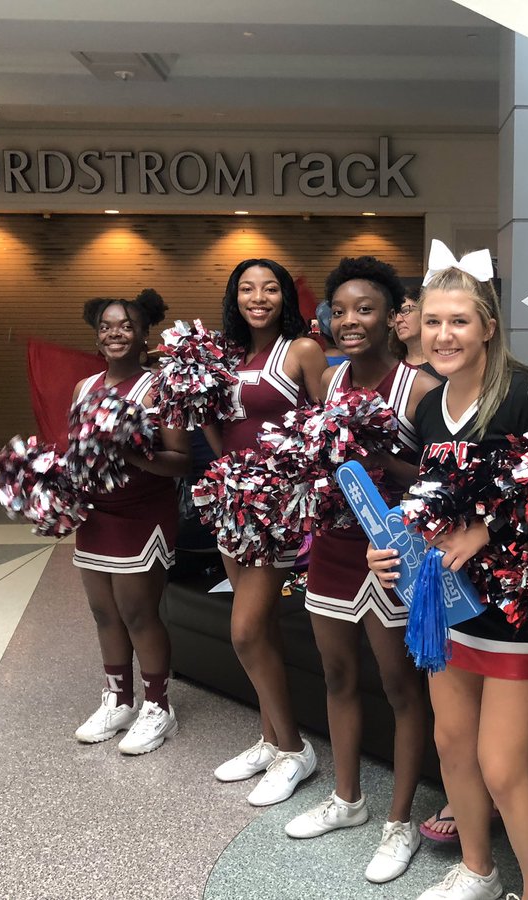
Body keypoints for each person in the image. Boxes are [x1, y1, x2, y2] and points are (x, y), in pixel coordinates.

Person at [369, 241, 528, 900]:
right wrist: (395, 546)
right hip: (450, 604)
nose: (444, 334)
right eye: (432, 321)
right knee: (452, 743)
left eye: (459, 320)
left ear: (489, 326)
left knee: (503, 766)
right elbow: (433, 508)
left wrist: (491, 528)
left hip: (516, 611)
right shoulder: (430, 408)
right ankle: (478, 871)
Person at [283, 255, 436, 884]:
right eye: (339, 310)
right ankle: (348, 800)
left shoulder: (419, 388)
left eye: (365, 309)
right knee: (338, 673)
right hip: (333, 548)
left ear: (395, 316)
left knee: (400, 686)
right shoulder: (332, 381)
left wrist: (378, 460)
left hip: (390, 552)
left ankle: (399, 824)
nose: (349, 321)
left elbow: (438, 481)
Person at [205, 258, 328, 807]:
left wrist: (289, 487)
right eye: (248, 288)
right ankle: (271, 737)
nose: (259, 297)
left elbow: (329, 428)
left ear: (285, 296)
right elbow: (217, 429)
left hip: (280, 509)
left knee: (247, 631)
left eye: (270, 287)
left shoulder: (300, 351)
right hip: (233, 502)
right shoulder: (225, 357)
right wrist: (233, 481)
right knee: (265, 632)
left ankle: (296, 749)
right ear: (235, 297)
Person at [71, 289, 191, 755]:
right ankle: (118, 700)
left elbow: (181, 460)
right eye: (105, 326)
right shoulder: (84, 387)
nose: (114, 333)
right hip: (96, 515)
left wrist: (128, 453)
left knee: (139, 613)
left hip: (144, 514)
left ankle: (158, 707)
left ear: (144, 335)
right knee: (103, 612)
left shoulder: (162, 387)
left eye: (125, 325)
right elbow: (79, 452)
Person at [392, 285, 442, 380]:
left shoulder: (445, 362)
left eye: (405, 311)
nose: (397, 320)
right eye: (394, 314)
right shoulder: (392, 367)